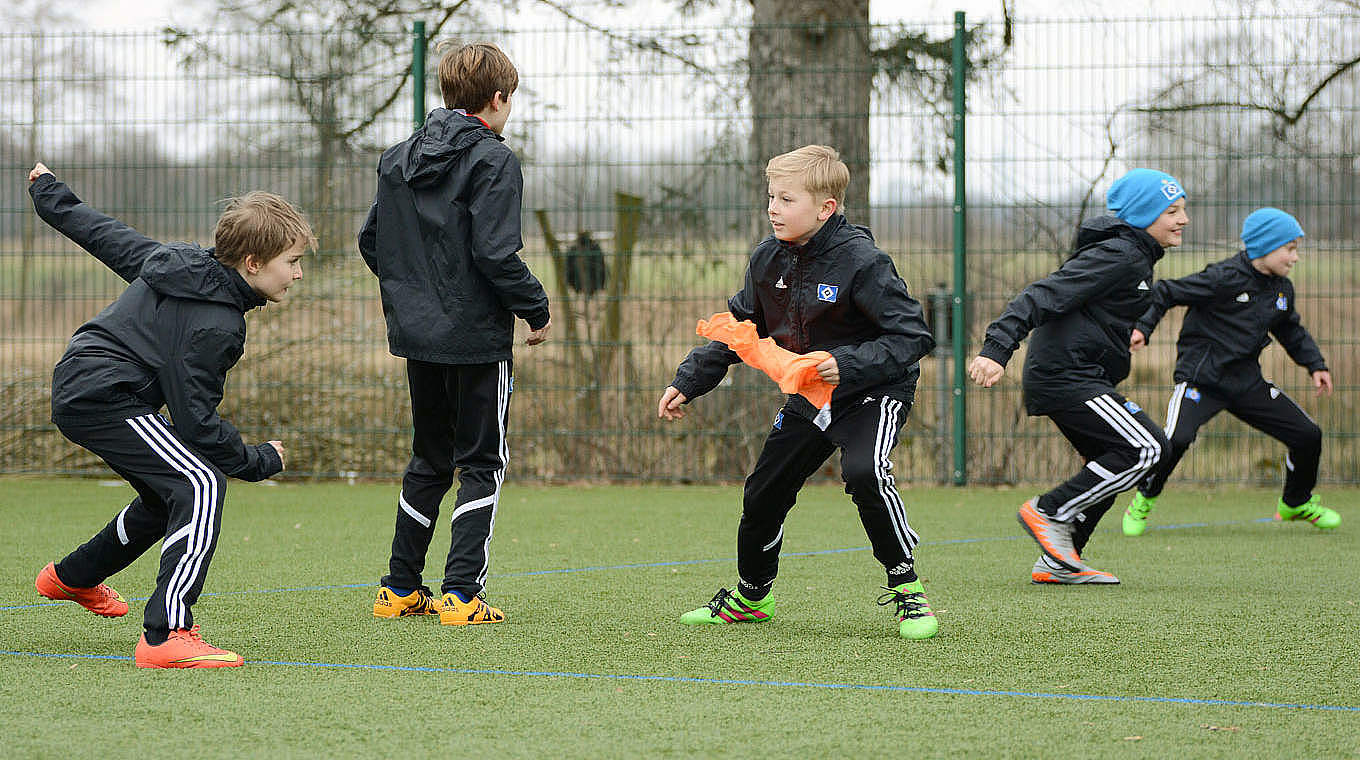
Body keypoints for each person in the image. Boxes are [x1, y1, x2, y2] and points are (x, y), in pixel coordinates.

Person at [28, 162, 312, 668]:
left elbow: (106, 236)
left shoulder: (178, 262)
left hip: (87, 383)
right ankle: (166, 635)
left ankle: (72, 577)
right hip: (104, 395)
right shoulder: (217, 325)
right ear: (251, 262)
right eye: (291, 261)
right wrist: (258, 460)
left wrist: (51, 195)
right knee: (201, 485)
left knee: (168, 496)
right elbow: (197, 424)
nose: (297, 273)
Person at [658, 145, 940, 640]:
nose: (773, 208)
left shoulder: (863, 262)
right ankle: (751, 596)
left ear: (825, 208)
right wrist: (689, 381)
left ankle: (907, 590)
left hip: (873, 390)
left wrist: (845, 364)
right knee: (764, 490)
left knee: (865, 472)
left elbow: (913, 337)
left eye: (787, 200)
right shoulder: (768, 261)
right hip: (811, 396)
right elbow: (740, 327)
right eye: (771, 197)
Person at [359, 41, 550, 626]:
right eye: (510, 98)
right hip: (475, 340)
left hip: (418, 338)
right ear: (498, 99)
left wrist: (417, 297)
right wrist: (535, 308)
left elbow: (372, 243)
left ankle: (399, 589)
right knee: (482, 461)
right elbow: (496, 253)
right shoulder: (494, 160)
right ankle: (462, 594)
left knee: (428, 458)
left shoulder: (397, 159)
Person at [968, 168, 1187, 585]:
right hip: (1065, 375)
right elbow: (1040, 295)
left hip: (1076, 374)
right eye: (1172, 211)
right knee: (1147, 448)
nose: (1183, 219)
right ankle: (1050, 511)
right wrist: (997, 350)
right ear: (1143, 215)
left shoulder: (1136, 256)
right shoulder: (1120, 255)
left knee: (1111, 460)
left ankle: (1059, 561)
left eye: (1182, 210)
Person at [1121, 207, 1337, 535]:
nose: (1295, 258)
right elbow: (1165, 292)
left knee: (1308, 436)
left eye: (1297, 250)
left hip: (1246, 383)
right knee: (1175, 439)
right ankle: (1144, 499)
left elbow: (1290, 329)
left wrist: (1315, 365)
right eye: (1289, 249)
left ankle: (1295, 502)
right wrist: (1142, 328)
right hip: (1202, 380)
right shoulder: (1223, 278)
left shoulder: (1281, 290)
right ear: (1265, 246)